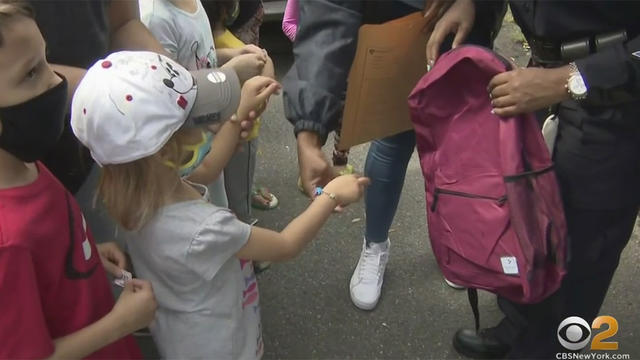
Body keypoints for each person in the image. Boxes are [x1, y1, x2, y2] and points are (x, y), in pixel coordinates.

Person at [70, 51, 370, 359]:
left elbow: (207, 169)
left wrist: (239, 114)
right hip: (222, 345)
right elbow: (285, 245)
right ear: (166, 152)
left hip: (180, 337)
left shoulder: (134, 193)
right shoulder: (205, 228)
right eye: (195, 123)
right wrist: (331, 195)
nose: (208, 127)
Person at [426, 0, 640, 357]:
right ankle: (517, 328)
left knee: (581, 249)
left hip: (615, 103)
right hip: (539, 79)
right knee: (528, 221)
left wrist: (571, 80)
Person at [282, 0, 504, 310]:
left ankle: (454, 243)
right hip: (398, 29)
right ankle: (374, 244)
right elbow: (326, 20)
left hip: (464, 27)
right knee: (394, 140)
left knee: (457, 148)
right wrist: (308, 133)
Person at [0, 3, 157, 358]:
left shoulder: (30, 167)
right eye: (31, 73)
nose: (56, 82)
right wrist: (121, 322)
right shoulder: (8, 243)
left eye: (47, 60)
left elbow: (47, 247)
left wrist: (84, 257)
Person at [139, 0, 270, 209]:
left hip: (206, 132)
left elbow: (196, 57)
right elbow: (169, 90)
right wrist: (231, 72)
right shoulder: (156, 20)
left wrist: (232, 54)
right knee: (205, 205)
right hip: (185, 149)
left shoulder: (192, 3)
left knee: (218, 200)